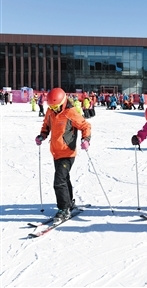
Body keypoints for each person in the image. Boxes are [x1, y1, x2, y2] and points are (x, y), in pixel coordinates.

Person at [35, 87, 91, 224]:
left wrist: (86, 140)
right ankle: (69, 203)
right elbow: (46, 126)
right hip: (56, 151)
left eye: (56, 106)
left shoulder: (71, 112)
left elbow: (85, 126)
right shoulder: (50, 111)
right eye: (51, 106)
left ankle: (63, 209)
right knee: (64, 179)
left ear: (63, 102)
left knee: (58, 181)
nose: (53, 109)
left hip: (68, 152)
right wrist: (42, 136)